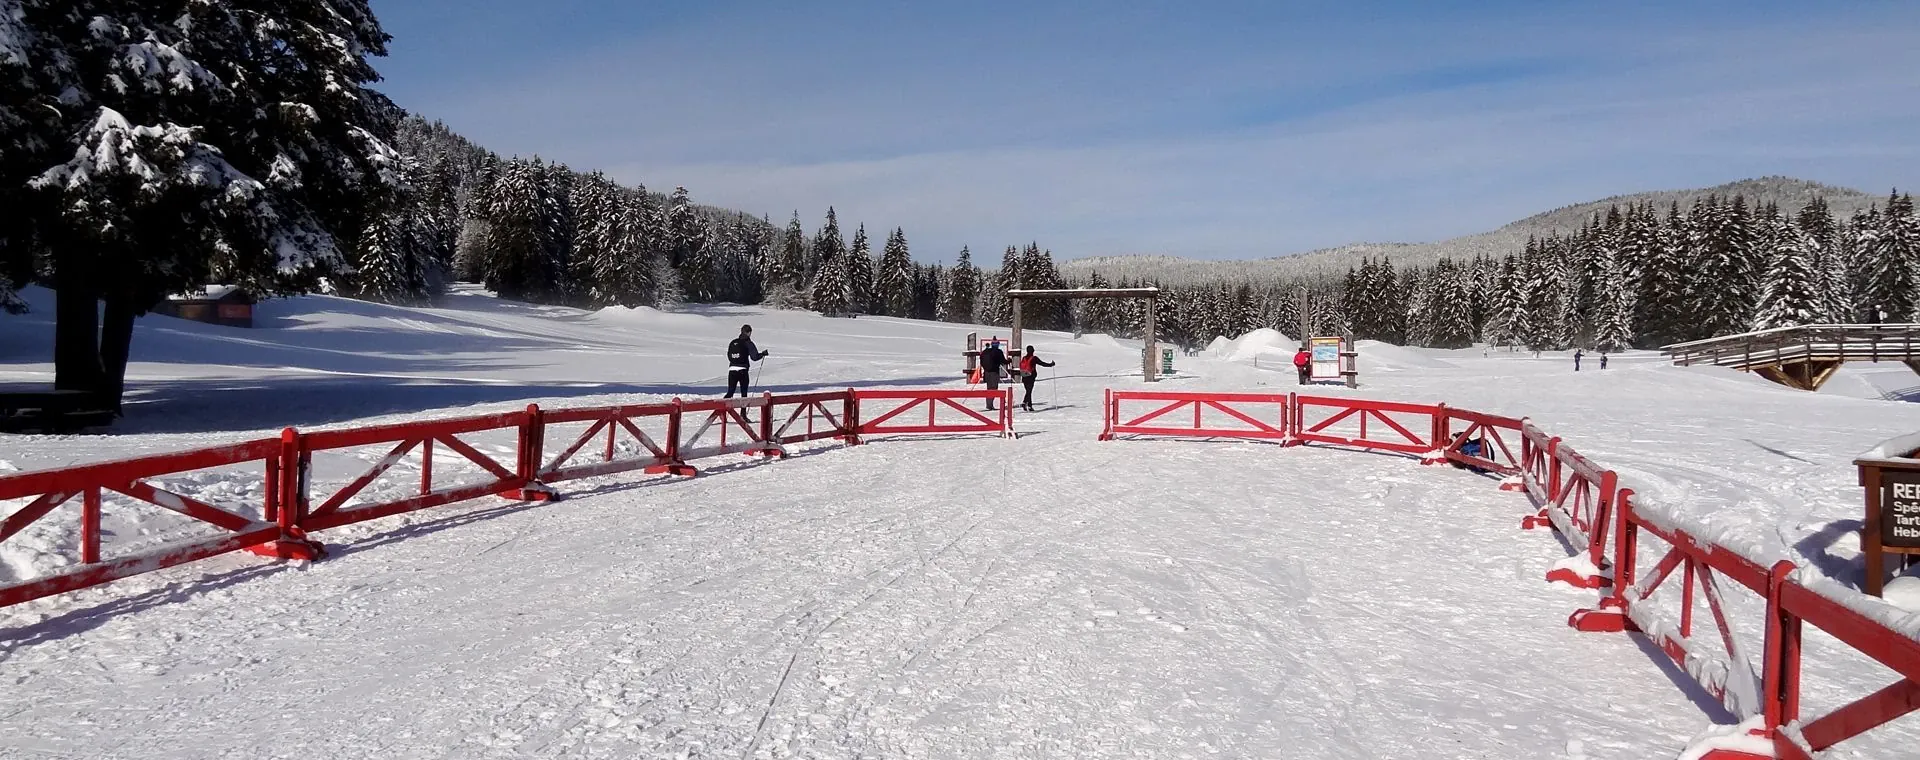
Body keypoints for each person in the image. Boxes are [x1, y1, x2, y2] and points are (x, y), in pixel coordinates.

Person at [725, 325, 768, 398]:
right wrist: (763, 354)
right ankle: (743, 409)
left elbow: (729, 355)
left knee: (730, 392)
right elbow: (754, 357)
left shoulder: (733, 342)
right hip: (743, 370)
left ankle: (721, 408)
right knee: (744, 394)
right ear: (749, 333)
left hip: (732, 369)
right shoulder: (748, 343)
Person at [1017, 346, 1056, 412]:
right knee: (1029, 391)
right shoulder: (1034, 358)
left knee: (1028, 391)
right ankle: (1027, 405)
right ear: (1032, 351)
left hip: (1024, 377)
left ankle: (1027, 404)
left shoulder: (1024, 358)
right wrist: (1051, 364)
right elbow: (1042, 363)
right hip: (1031, 377)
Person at [978, 340, 1008, 410]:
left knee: (989, 388)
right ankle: (990, 405)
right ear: (997, 345)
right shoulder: (998, 352)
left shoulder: (985, 352)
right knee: (994, 388)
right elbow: (1003, 361)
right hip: (994, 372)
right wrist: (1009, 361)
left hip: (986, 372)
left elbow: (981, 361)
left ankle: (989, 404)